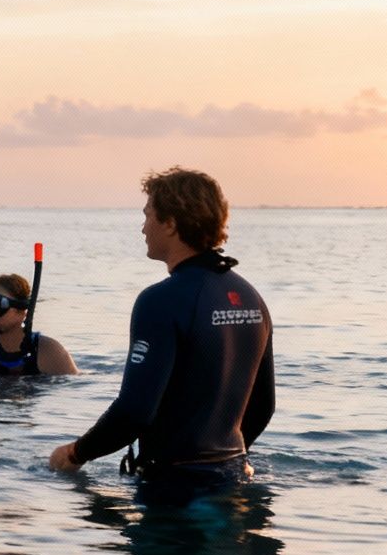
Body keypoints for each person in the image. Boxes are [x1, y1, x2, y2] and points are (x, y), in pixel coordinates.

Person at [50, 168, 274, 490]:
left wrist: (75, 453)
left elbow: (134, 412)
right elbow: (263, 406)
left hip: (175, 487)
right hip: (235, 473)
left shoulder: (161, 300)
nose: (143, 228)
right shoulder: (251, 297)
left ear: (170, 223)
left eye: (148, 215)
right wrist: (227, 459)